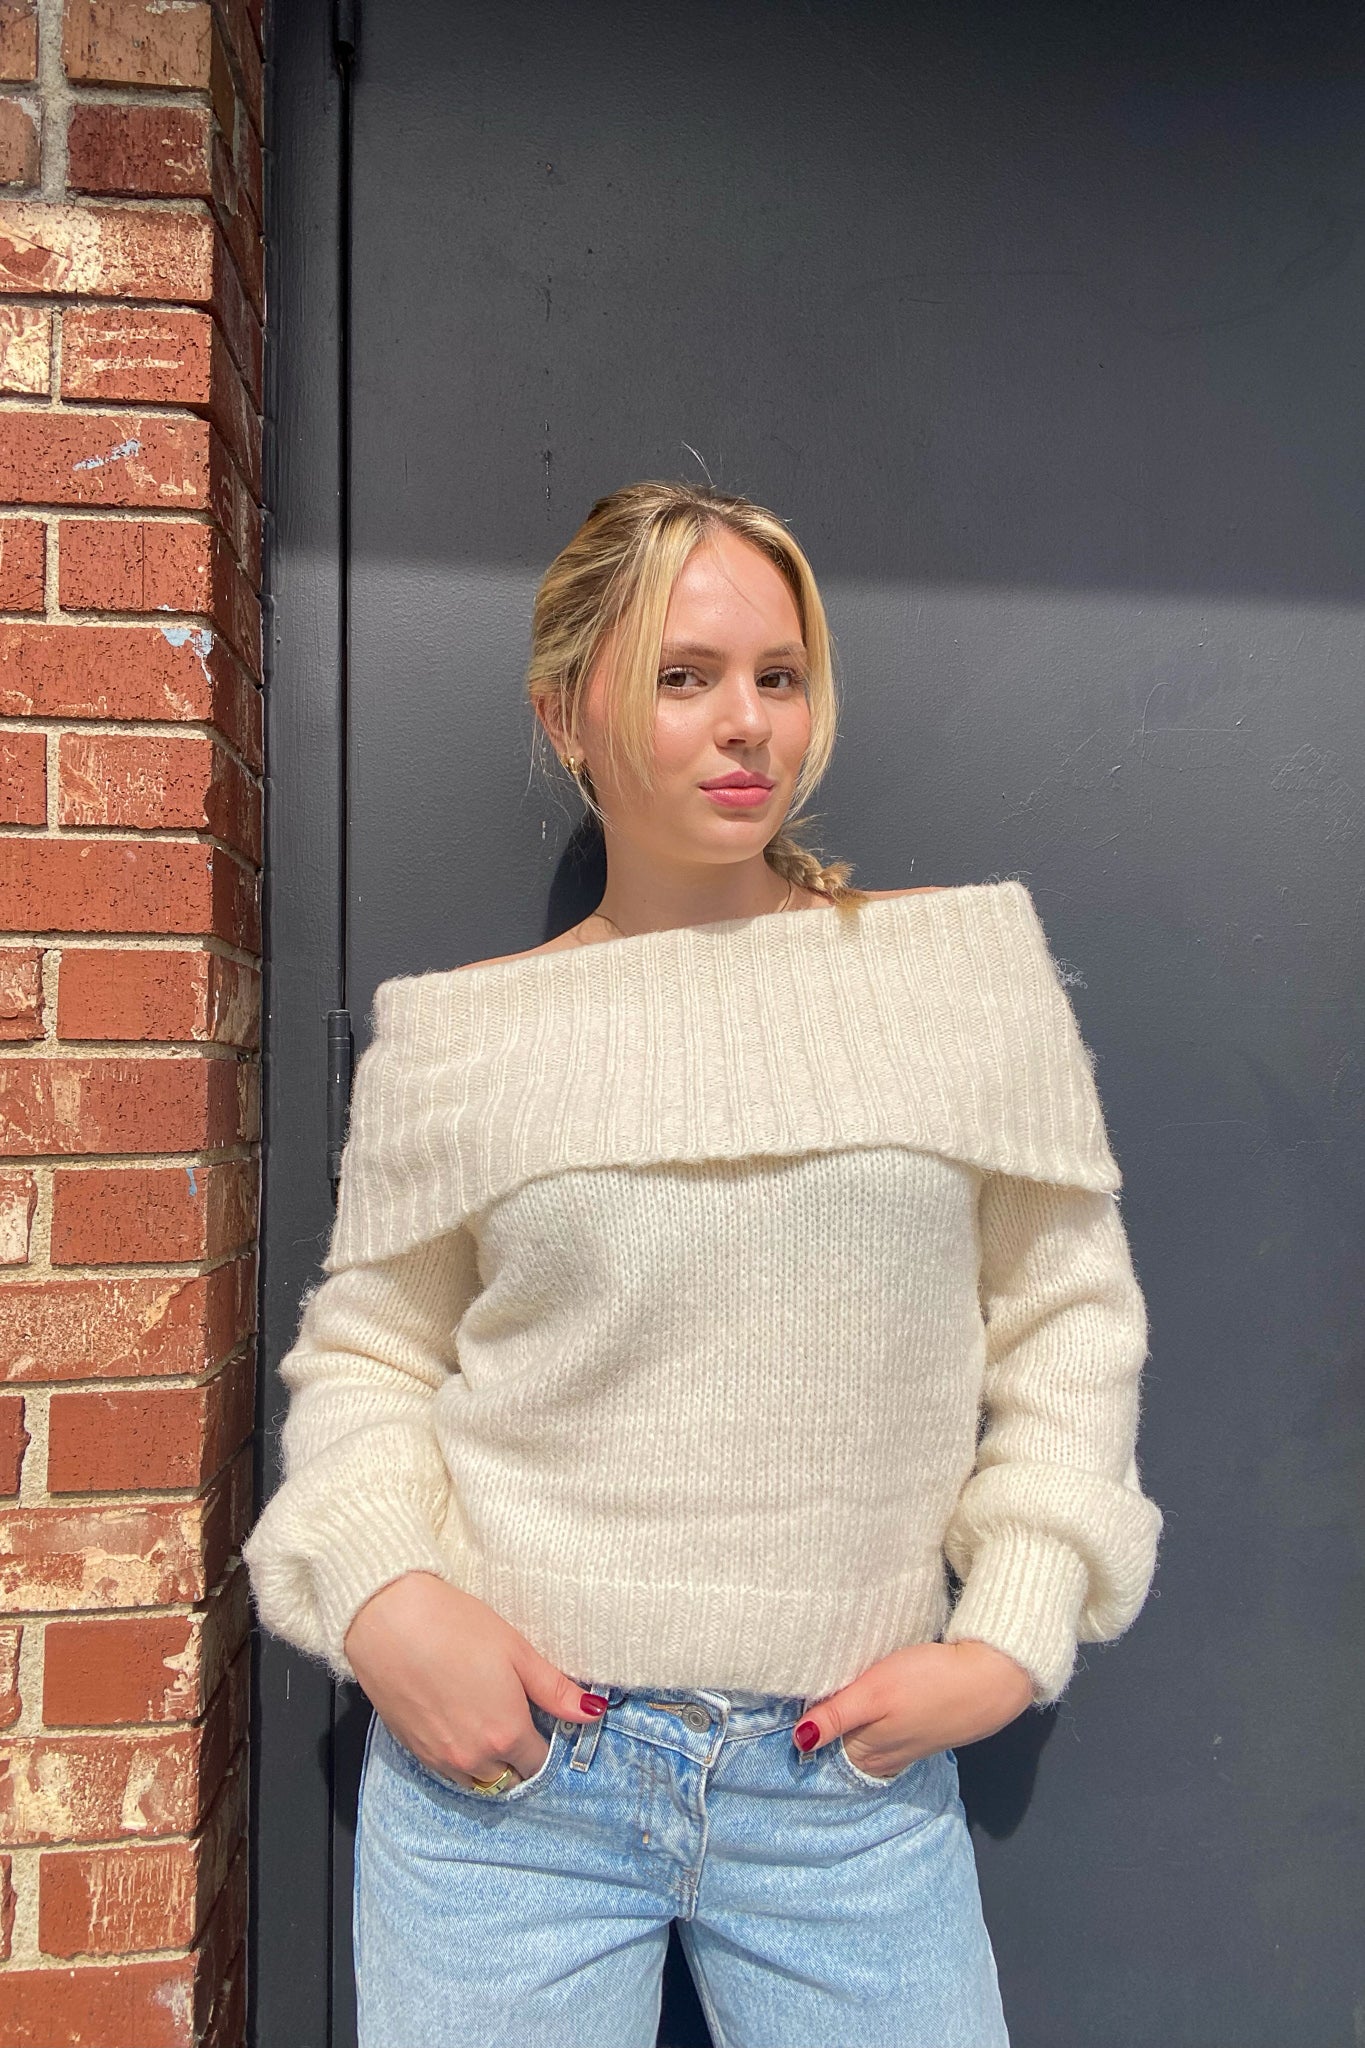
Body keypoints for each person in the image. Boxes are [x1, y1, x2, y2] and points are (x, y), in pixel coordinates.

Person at [242, 479, 1164, 2048]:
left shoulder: (952, 974)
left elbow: (1066, 1316)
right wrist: (385, 1597)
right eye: (683, 677)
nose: (748, 724)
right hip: (508, 1788)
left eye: (778, 676)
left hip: (843, 1793)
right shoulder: (461, 1035)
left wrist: (1010, 1634)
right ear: (564, 715)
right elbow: (370, 1355)